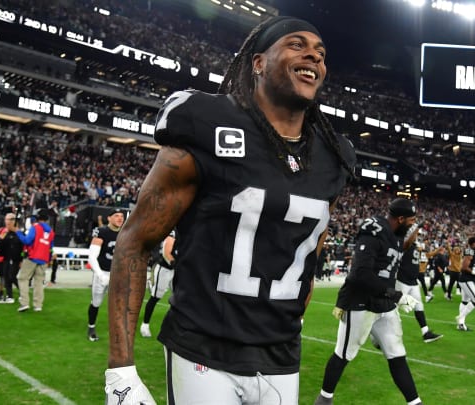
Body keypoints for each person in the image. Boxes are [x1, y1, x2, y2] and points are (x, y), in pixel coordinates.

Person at [105, 15, 355, 405]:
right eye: (296, 44)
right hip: (202, 351)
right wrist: (120, 370)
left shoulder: (334, 155)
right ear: (258, 63)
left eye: (321, 53)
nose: (313, 55)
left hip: (280, 356)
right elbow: (135, 241)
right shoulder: (208, 123)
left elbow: (312, 250)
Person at [314, 198, 422, 405]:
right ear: (400, 219)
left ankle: (415, 403)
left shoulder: (397, 237)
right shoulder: (375, 230)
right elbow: (360, 275)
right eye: (411, 221)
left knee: (397, 355)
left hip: (384, 305)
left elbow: (398, 251)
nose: (412, 225)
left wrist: (390, 296)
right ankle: (324, 400)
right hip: (360, 302)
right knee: (343, 354)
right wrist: (395, 295)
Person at [397, 223, 443, 343]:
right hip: (402, 280)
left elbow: (425, 255)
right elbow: (406, 243)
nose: (417, 236)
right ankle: (379, 333)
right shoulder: (403, 243)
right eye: (416, 234)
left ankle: (425, 332)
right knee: (392, 307)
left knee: (418, 305)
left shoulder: (415, 246)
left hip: (412, 281)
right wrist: (416, 229)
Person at [87, 209, 125, 341]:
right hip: (102, 271)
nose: (120, 218)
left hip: (118, 273)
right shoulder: (101, 232)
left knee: (118, 304)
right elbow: (92, 257)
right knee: (96, 302)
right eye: (116, 216)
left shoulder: (125, 233)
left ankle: (117, 331)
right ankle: (91, 326)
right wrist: (100, 275)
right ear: (109, 218)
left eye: (122, 216)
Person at [15, 209, 55, 312]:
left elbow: (27, 241)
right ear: (47, 219)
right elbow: (51, 248)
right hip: (44, 259)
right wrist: (49, 260)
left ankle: (24, 303)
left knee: (22, 278)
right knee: (39, 282)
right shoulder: (51, 232)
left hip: (33, 257)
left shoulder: (35, 228)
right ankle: (38, 305)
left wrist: (18, 233)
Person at [140, 230, 176, 338]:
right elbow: (167, 253)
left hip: (176, 270)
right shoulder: (173, 233)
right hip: (165, 269)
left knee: (179, 298)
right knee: (156, 297)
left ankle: (174, 326)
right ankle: (145, 325)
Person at [455, 236, 475, 331]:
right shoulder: (469, 251)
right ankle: (460, 317)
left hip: (468, 279)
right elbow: (463, 267)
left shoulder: (474, 252)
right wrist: (473, 272)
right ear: (474, 243)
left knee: (464, 301)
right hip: (466, 279)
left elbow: (472, 266)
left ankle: (461, 324)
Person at [0, 213, 23, 304]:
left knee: (12, 276)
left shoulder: (19, 233)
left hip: (16, 259)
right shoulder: (6, 233)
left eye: (9, 220)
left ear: (13, 221)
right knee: (7, 277)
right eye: (6, 219)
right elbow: (2, 247)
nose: (6, 222)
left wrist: (22, 259)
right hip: (6, 258)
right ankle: (9, 297)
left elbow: (24, 247)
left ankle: (23, 293)